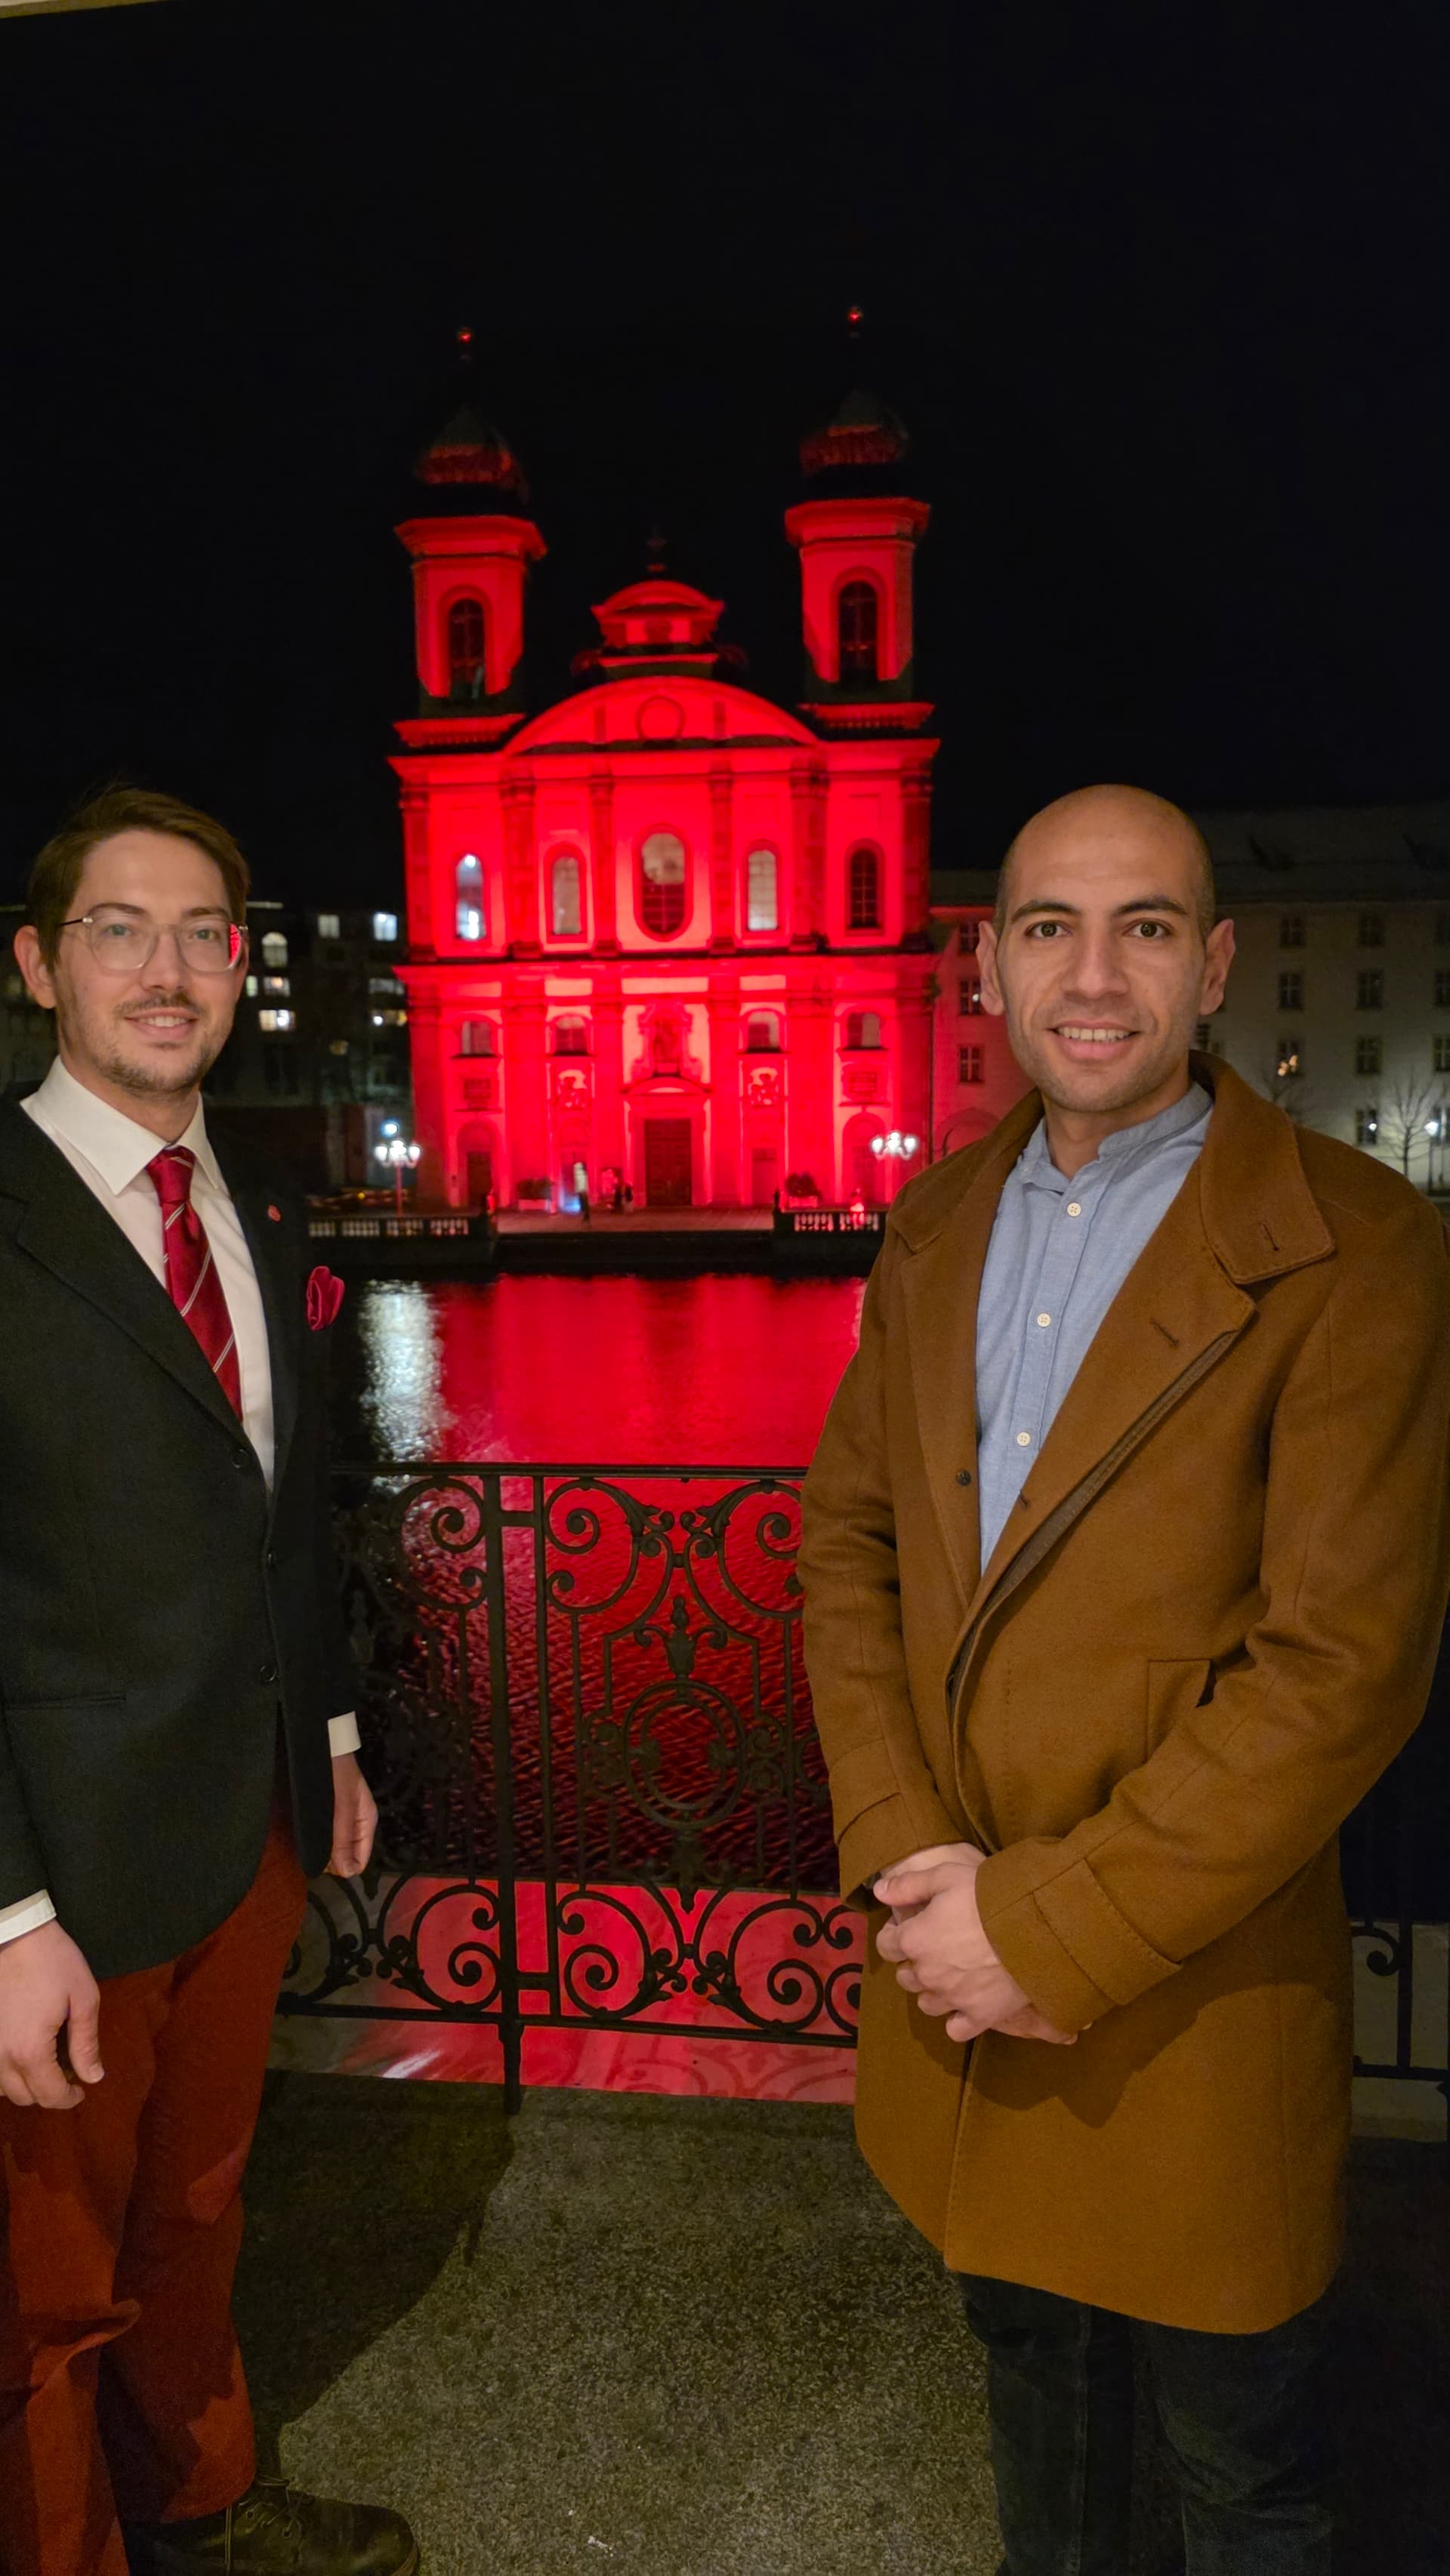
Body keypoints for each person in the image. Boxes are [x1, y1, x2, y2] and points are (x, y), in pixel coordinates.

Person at [798, 783, 1450, 2574]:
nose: (1095, 975)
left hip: (1187, 1982)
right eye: (1049, 928)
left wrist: (1046, 1932)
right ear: (988, 968)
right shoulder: (931, 1226)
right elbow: (847, 1545)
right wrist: (909, 1848)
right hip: (956, 1966)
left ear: (1215, 964)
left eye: (1145, 927)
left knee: (1245, 2464)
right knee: (1039, 2413)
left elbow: (1343, 1668)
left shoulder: (1360, 1247)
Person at [0, 788, 417, 2576]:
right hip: (63, 1871)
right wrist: (4, 1908)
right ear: (37, 965)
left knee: (199, 2206)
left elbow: (287, 1497)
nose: (166, 969)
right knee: (45, 2285)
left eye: (200, 934)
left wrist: (325, 1732)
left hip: (242, 1821)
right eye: (119, 928)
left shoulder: (253, 1183)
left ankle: (204, 2503)